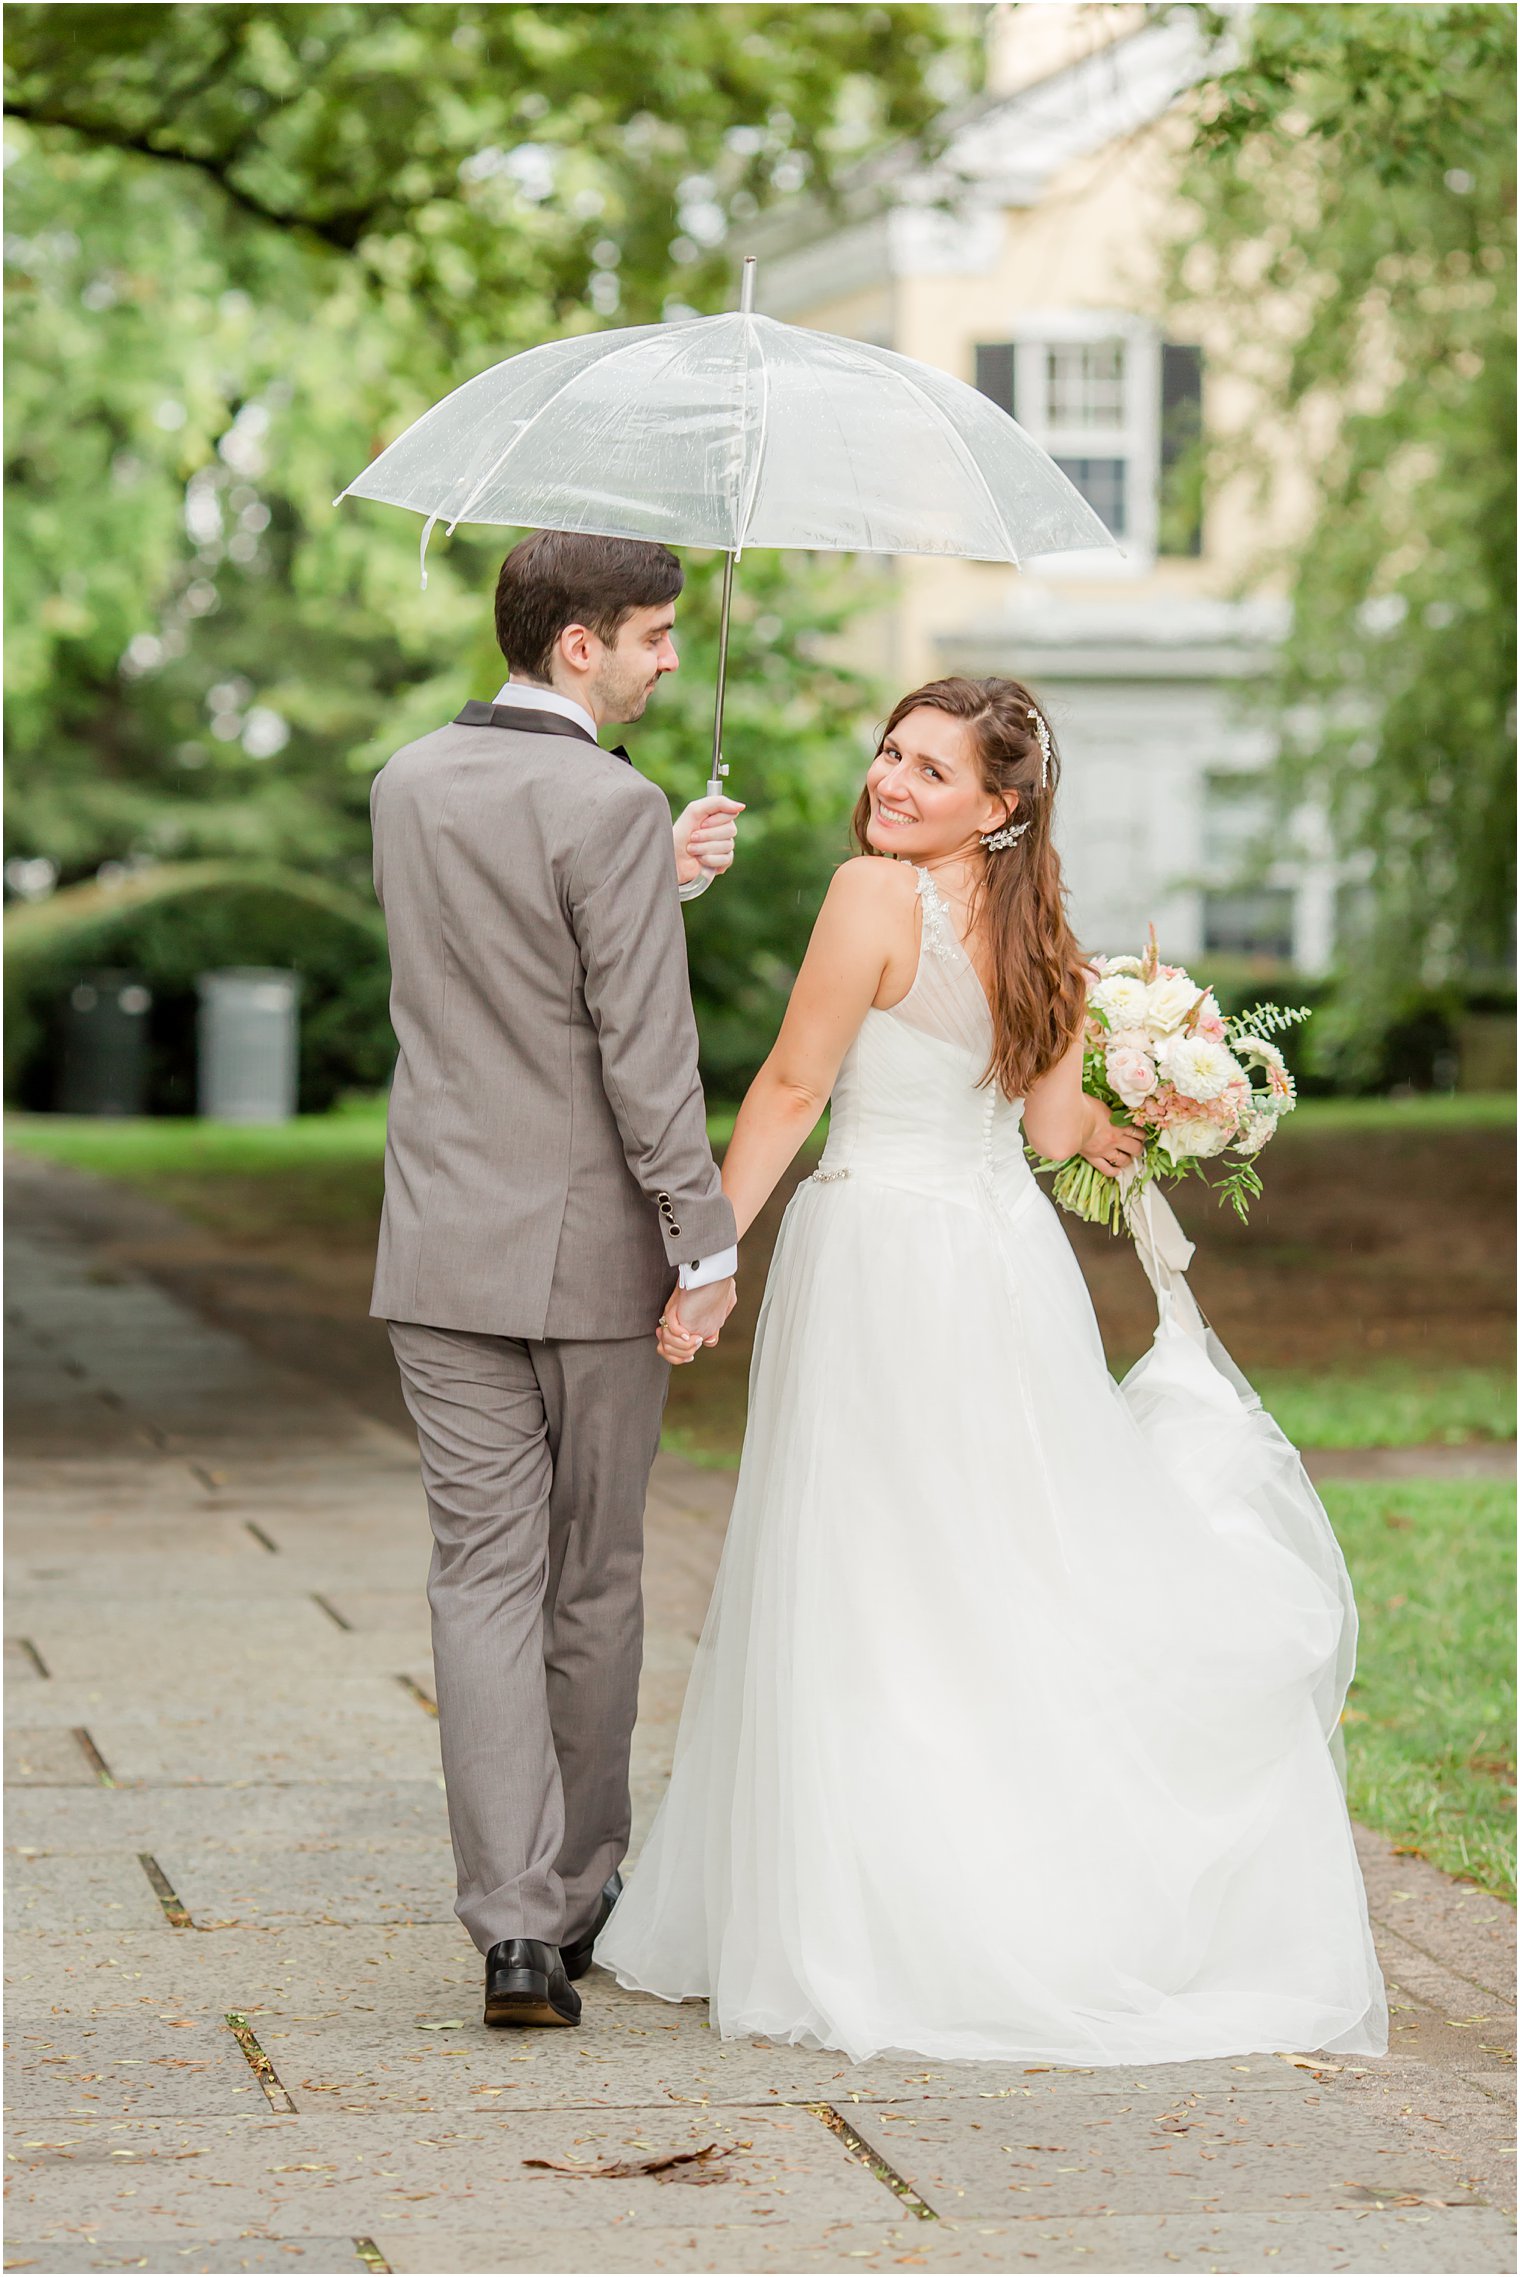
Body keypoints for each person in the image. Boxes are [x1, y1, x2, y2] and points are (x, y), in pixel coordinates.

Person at [596, 674, 1389, 2067]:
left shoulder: (868, 896)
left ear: (1000, 806)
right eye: (891, 753)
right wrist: (1127, 1103)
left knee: (877, 1571)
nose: (891, 782)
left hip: (885, 1257)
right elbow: (1047, 1123)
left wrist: (703, 1254)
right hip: (1004, 1265)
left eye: (930, 772)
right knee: (994, 1562)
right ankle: (1018, 1886)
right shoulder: (1037, 931)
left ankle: (881, 1911)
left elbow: (790, 1086)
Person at [370, 529, 744, 2030]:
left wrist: (652, 874)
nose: (666, 656)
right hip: (597, 1257)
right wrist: (704, 1240)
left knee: (479, 1578)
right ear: (578, 643)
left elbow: (496, 965)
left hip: (439, 1244)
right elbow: (640, 1054)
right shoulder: (612, 802)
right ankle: (583, 1889)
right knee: (591, 1577)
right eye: (653, 633)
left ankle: (509, 1928)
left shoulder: (406, 782)